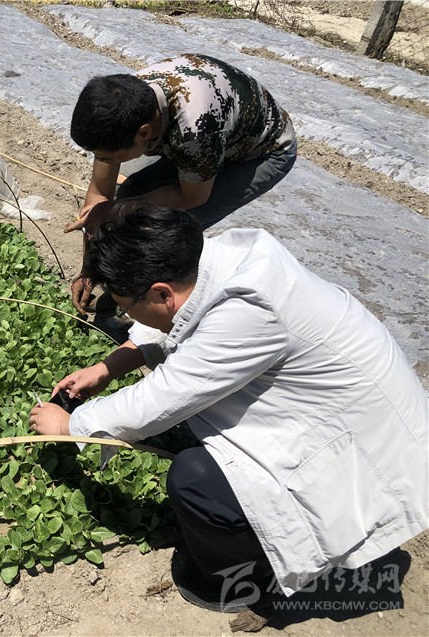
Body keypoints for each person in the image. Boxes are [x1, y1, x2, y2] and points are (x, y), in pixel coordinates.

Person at [29, 203, 428, 610]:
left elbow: (162, 398)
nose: (129, 316)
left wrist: (69, 425)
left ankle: (240, 580)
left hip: (366, 451)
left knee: (196, 480)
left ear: (161, 293)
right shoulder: (216, 257)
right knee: (201, 438)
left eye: (126, 307)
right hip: (343, 410)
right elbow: (184, 317)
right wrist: (108, 367)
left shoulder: (251, 306)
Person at [66, 53, 297, 315]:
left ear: (144, 133)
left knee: (159, 230)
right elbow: (100, 196)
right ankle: (123, 292)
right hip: (215, 137)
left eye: (108, 157)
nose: (105, 161)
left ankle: (140, 310)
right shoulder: (124, 104)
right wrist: (88, 271)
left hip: (261, 151)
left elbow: (192, 197)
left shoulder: (194, 131)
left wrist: (120, 209)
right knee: (130, 196)